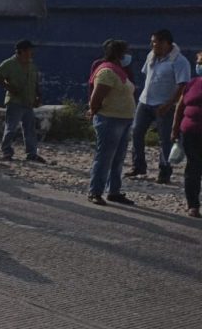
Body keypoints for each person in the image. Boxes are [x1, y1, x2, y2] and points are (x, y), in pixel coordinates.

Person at [126, 29, 191, 184]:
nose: (152, 45)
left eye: (155, 42)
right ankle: (139, 165)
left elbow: (182, 85)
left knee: (165, 139)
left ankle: (165, 171)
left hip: (164, 105)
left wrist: (169, 104)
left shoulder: (179, 61)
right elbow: (146, 75)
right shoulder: (151, 56)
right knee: (136, 132)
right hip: (145, 101)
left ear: (166, 43)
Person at [86, 39, 137, 206]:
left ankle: (114, 191)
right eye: (125, 52)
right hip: (110, 120)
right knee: (104, 158)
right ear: (118, 54)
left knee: (118, 158)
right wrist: (94, 111)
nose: (127, 55)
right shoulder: (107, 72)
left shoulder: (119, 71)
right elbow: (96, 98)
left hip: (123, 120)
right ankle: (95, 191)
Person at [0, 39, 45, 163]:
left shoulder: (32, 65)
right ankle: (7, 152)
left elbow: (36, 82)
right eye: (30, 50)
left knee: (30, 129)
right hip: (15, 101)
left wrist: (38, 96)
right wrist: (9, 87)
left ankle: (31, 154)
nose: (32, 52)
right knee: (11, 128)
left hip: (28, 102)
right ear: (21, 51)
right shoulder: (9, 63)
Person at [172, 51, 202, 217]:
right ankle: (193, 204)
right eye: (199, 63)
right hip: (190, 132)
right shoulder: (192, 83)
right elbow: (180, 106)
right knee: (193, 168)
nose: (199, 66)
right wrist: (175, 129)